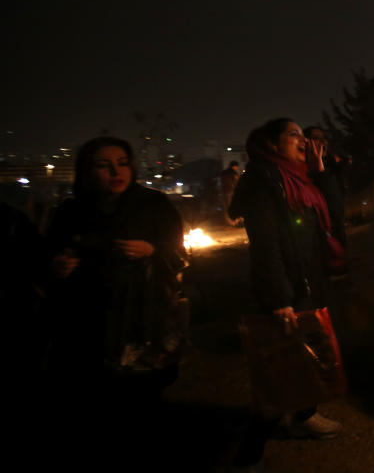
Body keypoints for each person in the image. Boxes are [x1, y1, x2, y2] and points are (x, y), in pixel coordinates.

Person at [44, 136, 187, 458]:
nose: (115, 171)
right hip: (86, 321)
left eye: (122, 163)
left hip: (142, 316)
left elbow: (179, 253)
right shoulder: (72, 210)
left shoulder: (154, 205)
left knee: (140, 401)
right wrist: (59, 264)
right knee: (91, 404)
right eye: (103, 165)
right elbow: (49, 253)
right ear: (86, 172)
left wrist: (153, 250)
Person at [228, 118, 346, 467]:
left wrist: (321, 169)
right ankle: (248, 455)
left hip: (309, 282)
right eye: (293, 134)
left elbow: (336, 214)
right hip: (286, 288)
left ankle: (304, 416)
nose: (303, 140)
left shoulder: (302, 178)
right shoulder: (264, 180)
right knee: (281, 372)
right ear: (272, 144)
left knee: (310, 355)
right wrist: (279, 298)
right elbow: (265, 246)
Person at [220, 160, 242, 226]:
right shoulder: (234, 173)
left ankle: (229, 222)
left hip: (224, 192)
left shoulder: (223, 173)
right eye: (236, 167)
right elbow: (237, 183)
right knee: (233, 207)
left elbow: (222, 182)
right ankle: (235, 222)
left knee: (226, 208)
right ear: (234, 166)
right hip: (231, 192)